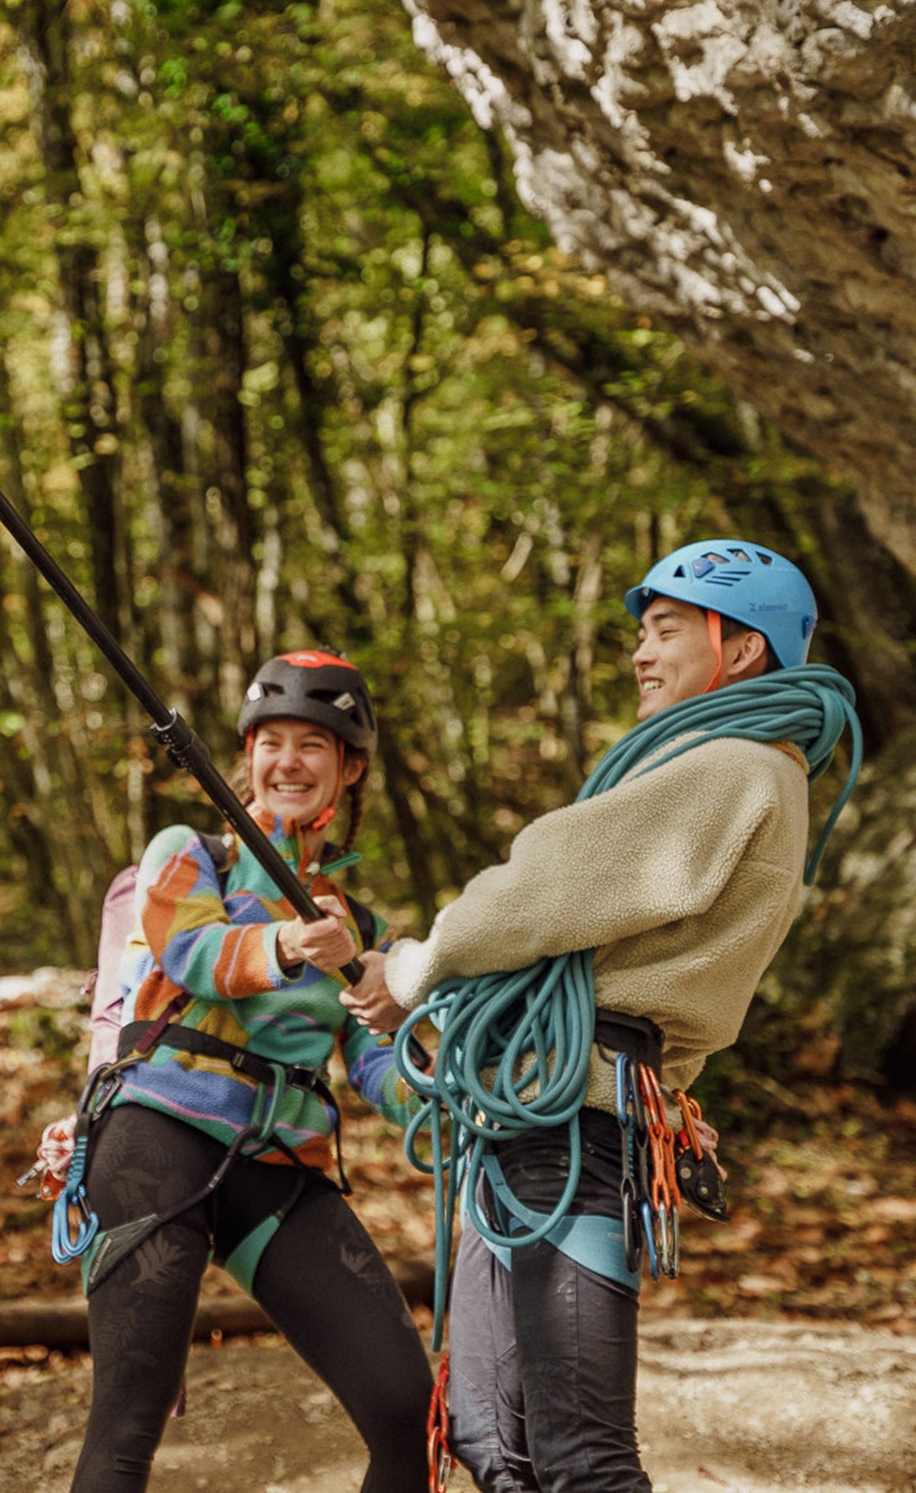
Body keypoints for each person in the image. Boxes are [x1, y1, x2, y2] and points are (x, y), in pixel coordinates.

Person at [341, 539, 858, 1493]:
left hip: (577, 1127)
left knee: (580, 1455)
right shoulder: (734, 769)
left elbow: (543, 887)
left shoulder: (736, 764)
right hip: (541, 1114)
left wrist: (414, 969)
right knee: (492, 1440)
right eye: (642, 635)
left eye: (666, 631)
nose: (640, 654)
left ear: (741, 652)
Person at [49, 650, 433, 1493]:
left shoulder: (360, 925)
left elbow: (378, 1066)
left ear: (351, 767)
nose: (287, 762)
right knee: (126, 1428)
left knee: (411, 1411)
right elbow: (192, 953)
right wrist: (292, 943)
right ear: (248, 755)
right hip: (158, 1137)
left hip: (278, 1169)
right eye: (272, 742)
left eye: (314, 745)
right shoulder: (188, 854)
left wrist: (458, 1115)